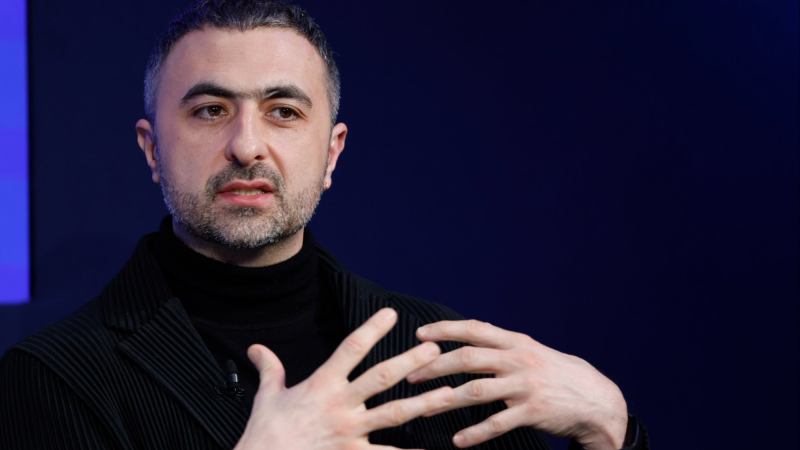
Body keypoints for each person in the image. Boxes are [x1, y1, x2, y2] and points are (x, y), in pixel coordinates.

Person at [0, 1, 648, 449]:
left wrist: (612, 429)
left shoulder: (440, 358)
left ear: (332, 152)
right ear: (151, 149)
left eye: (283, 111)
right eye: (210, 110)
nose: (246, 145)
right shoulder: (52, 379)